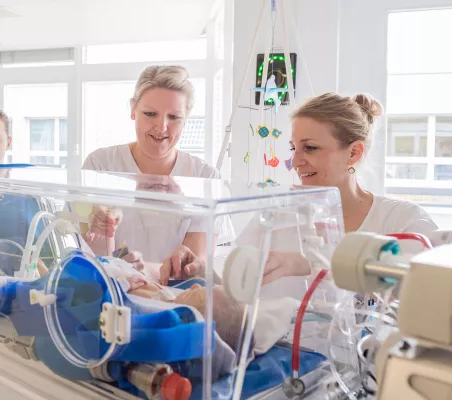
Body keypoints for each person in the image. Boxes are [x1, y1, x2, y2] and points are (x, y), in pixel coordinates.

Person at [241, 93, 439, 285]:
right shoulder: (274, 216)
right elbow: (234, 286)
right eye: (294, 148)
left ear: (353, 153)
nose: (295, 162)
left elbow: (428, 289)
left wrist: (310, 262)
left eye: (310, 148)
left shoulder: (403, 221)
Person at [81, 65, 233, 282]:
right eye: (150, 114)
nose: (161, 127)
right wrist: (100, 227)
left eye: (174, 117)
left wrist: (140, 270)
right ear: (133, 110)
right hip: (110, 296)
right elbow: (87, 253)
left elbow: (191, 267)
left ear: (186, 118)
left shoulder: (205, 177)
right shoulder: (100, 165)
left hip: (175, 299)